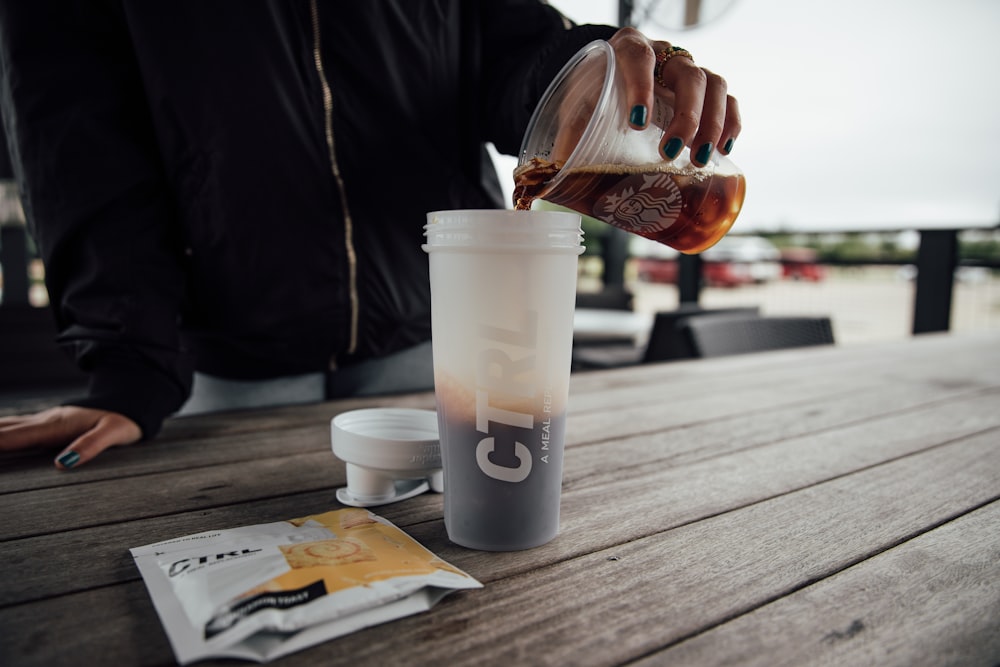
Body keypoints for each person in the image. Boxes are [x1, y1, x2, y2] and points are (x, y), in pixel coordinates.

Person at [0, 0, 740, 470]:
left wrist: (577, 77)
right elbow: (78, 144)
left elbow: (505, 52)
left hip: (436, 330)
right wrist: (126, 365)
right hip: (227, 352)